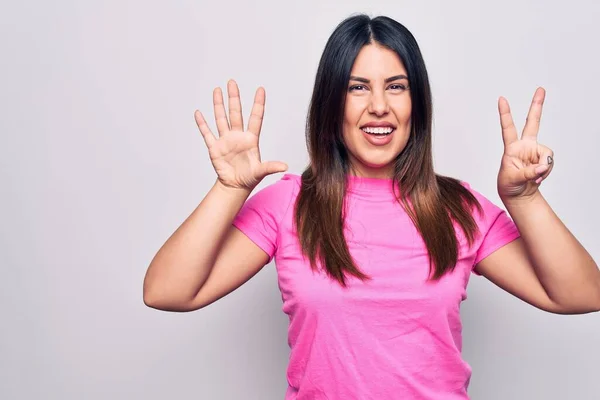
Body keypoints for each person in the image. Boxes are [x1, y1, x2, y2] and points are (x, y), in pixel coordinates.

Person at [142, 14, 600, 400]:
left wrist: (525, 199)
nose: (378, 106)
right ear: (332, 102)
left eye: (396, 87)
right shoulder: (288, 203)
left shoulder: (457, 208)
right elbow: (167, 291)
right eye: (358, 87)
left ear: (415, 103)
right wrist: (228, 190)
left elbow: (581, 294)